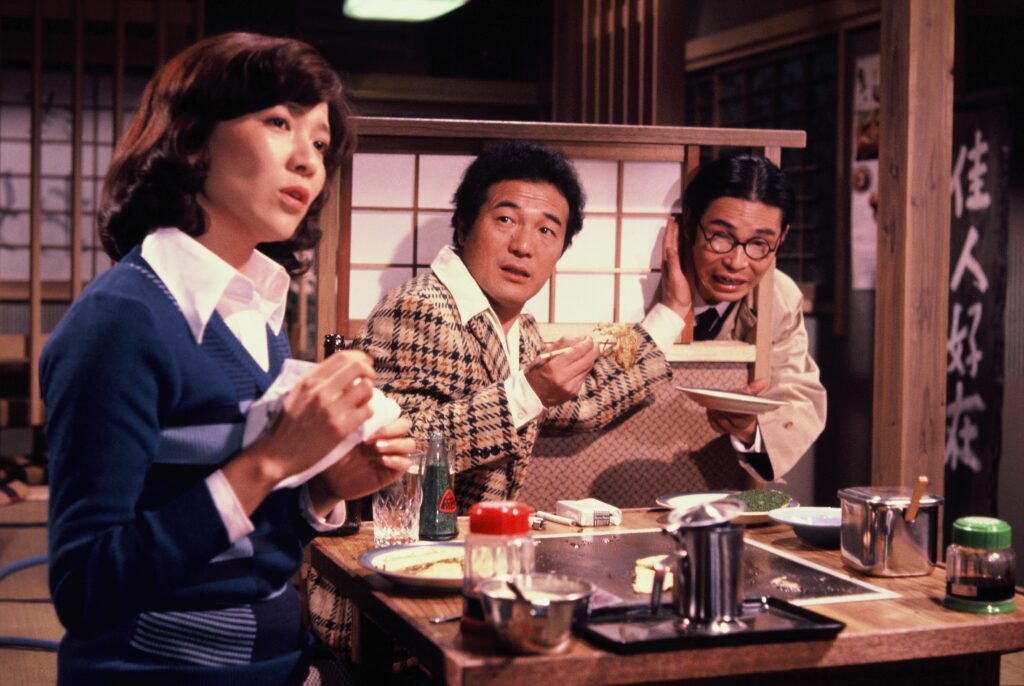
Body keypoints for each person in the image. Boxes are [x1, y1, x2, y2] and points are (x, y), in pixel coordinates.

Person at [40, 33, 414, 685]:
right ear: (192, 140)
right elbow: (86, 587)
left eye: (320, 142)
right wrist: (270, 460)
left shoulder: (252, 308)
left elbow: (239, 543)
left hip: (276, 664)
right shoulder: (124, 319)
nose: (307, 160)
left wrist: (323, 488)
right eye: (278, 123)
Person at [355, 140, 692, 509]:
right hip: (410, 540)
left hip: (479, 537)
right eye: (506, 219)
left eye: (546, 230)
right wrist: (529, 392)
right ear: (464, 228)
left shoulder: (521, 329)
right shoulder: (420, 306)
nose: (523, 246)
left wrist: (673, 311)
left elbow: (585, 402)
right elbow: (396, 448)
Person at [672, 153, 827, 482]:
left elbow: (799, 396)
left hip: (716, 481)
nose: (737, 262)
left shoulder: (778, 298)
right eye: (721, 236)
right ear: (689, 224)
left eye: (759, 243)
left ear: (781, 239)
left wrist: (749, 427)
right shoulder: (636, 284)